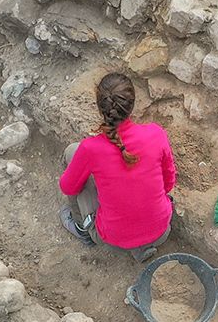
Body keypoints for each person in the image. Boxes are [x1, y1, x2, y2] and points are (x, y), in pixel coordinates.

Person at [58, 72, 177, 259]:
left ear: (100, 108)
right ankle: (140, 247)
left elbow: (67, 187)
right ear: (132, 105)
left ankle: (82, 228)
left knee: (72, 152)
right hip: (161, 231)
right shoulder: (156, 134)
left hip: (113, 238)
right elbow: (168, 184)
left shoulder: (91, 149)